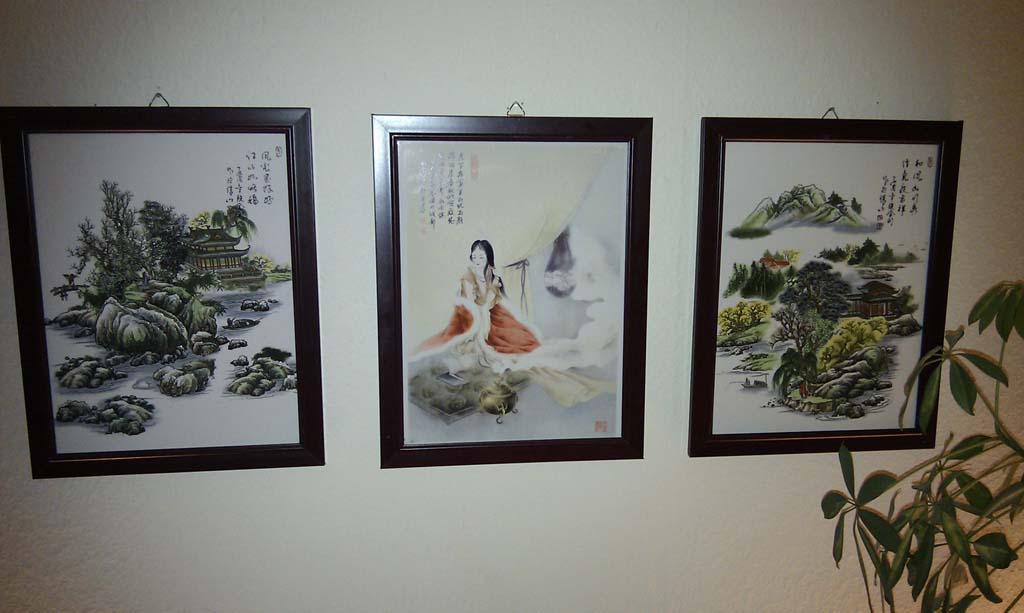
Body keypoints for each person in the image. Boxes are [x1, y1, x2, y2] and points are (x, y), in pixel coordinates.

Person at [416, 240, 540, 371]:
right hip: (474, 315)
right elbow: (471, 305)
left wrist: (490, 307)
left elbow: (493, 301)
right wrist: (483, 322)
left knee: (519, 338)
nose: (477, 260)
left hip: (493, 314)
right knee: (479, 346)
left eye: (481, 257)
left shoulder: (493, 276)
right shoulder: (468, 277)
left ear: (488, 257)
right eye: (474, 257)